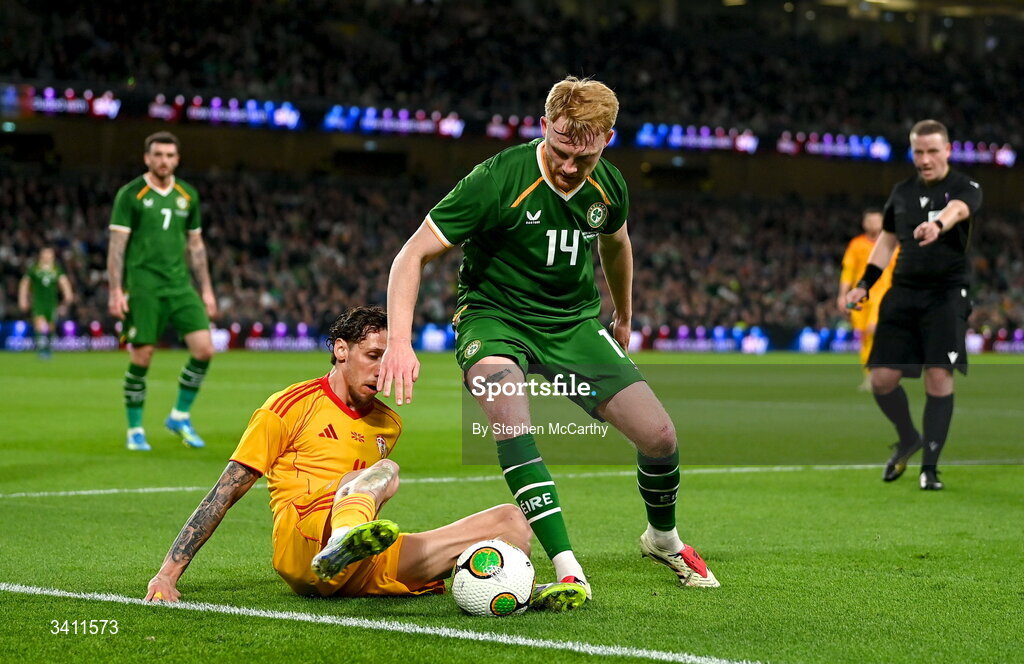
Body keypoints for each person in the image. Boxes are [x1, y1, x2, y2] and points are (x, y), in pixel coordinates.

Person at [378, 76, 719, 611]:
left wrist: (624, 313)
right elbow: (410, 256)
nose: (568, 167)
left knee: (660, 437)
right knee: (513, 420)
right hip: (495, 319)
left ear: (607, 138)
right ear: (544, 127)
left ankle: (662, 539)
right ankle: (568, 567)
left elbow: (618, 244)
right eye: (560, 150)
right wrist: (400, 340)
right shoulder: (497, 180)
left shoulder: (609, 186)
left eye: (582, 158)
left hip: (572, 325)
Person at [144, 306, 541, 604]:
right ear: (340, 350)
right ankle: (345, 537)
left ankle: (519, 587)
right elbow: (224, 492)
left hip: (360, 561)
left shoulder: (388, 423)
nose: (381, 370)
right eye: (373, 356)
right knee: (383, 470)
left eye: (389, 360)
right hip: (304, 545)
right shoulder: (289, 406)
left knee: (512, 522)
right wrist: (167, 575)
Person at [846, 119, 982, 491]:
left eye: (933, 151)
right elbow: (887, 242)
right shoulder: (902, 193)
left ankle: (930, 469)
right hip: (903, 292)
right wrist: (865, 285)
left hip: (946, 293)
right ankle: (908, 437)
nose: (925, 159)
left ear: (948, 151)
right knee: (881, 379)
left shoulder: (965, 186)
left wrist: (938, 224)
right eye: (919, 151)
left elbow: (958, 210)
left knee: (938, 376)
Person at [107, 131, 217, 452]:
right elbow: (117, 246)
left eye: (169, 155)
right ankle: (135, 429)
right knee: (142, 355)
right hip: (144, 285)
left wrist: (207, 290)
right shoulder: (131, 195)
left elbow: (196, 246)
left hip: (180, 285)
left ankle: (179, 416)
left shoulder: (188, 195)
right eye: (158, 155)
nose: (164, 161)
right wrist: (116, 290)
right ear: (147, 158)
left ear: (177, 159)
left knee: (204, 349)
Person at [837, 209, 898, 390]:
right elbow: (848, 271)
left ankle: (883, 372)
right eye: (870, 221)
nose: (873, 224)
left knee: (873, 330)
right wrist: (842, 294)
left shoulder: (891, 243)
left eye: (877, 221)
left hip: (883, 293)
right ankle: (870, 375)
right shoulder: (856, 244)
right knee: (863, 336)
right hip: (860, 296)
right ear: (864, 224)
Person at [18, 247, 74, 359]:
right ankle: (42, 350)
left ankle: (48, 349)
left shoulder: (56, 270)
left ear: (52, 257)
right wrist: (22, 299)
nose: (47, 257)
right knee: (40, 324)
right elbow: (24, 283)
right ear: (41, 256)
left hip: (52, 303)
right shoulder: (34, 270)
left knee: (51, 326)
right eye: (45, 254)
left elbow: (64, 282)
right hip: (38, 302)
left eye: (49, 255)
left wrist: (68, 296)